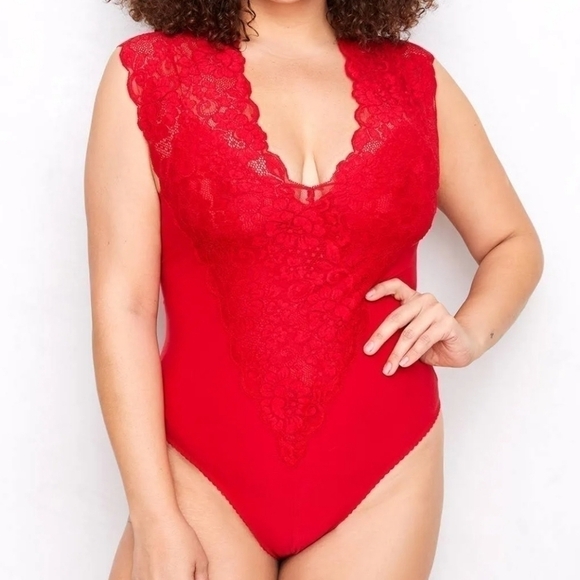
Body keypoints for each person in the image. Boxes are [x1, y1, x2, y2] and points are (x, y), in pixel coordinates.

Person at [84, 0, 544, 578]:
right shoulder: (149, 74)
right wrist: (153, 515)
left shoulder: (415, 80)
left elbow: (512, 242)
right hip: (200, 476)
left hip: (385, 475)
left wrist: (471, 331)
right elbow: (123, 308)